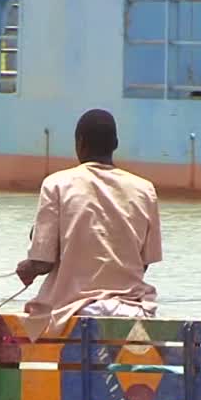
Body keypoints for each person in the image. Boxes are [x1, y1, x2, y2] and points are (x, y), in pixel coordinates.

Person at [14, 108, 163, 340]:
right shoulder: (145, 190)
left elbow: (42, 261)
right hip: (133, 312)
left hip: (73, 313)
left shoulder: (56, 184)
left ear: (80, 143)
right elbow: (143, 263)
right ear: (115, 143)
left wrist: (27, 268)